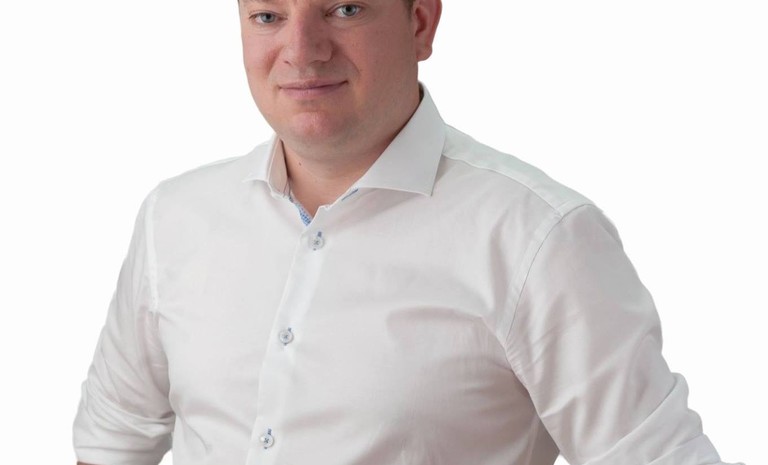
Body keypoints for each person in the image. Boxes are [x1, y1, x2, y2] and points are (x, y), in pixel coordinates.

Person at [73, 1, 743, 464]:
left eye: (345, 10)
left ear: (420, 22)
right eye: (268, 16)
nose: (301, 51)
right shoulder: (174, 219)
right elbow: (112, 441)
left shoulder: (537, 239)